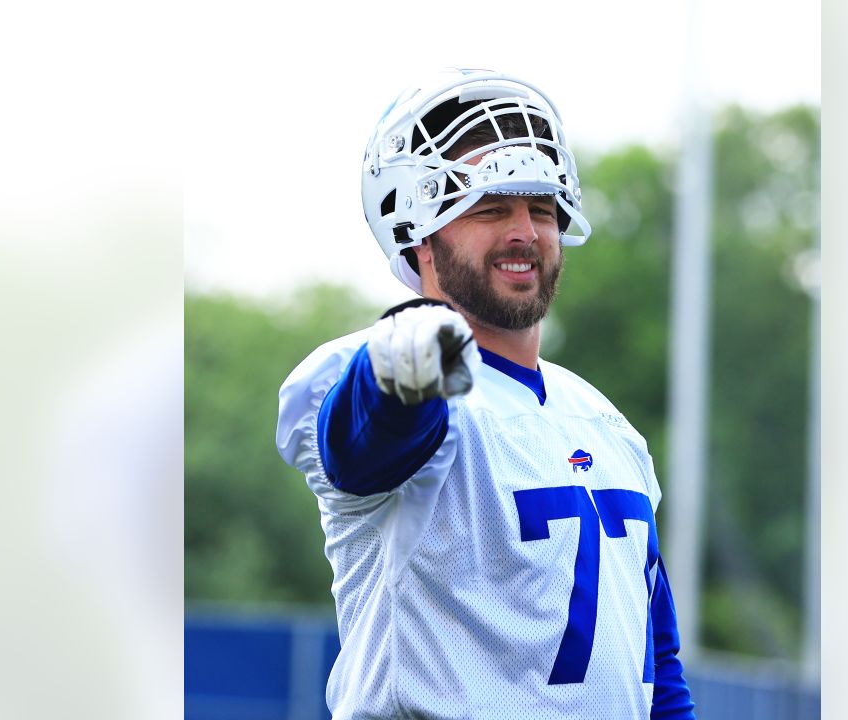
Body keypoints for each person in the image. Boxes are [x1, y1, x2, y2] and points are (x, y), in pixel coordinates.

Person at [277, 68, 695, 719]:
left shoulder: (606, 424)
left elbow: (653, 660)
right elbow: (367, 444)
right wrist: (397, 373)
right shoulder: (392, 377)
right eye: (489, 208)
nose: (525, 231)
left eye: (541, 208)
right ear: (421, 242)